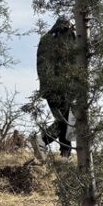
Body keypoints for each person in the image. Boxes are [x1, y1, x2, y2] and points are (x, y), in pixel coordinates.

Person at [37, 16, 77, 158]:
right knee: (64, 121)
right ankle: (42, 140)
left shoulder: (46, 39)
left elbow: (42, 65)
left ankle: (65, 154)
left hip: (48, 87)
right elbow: (73, 61)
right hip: (63, 86)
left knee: (64, 120)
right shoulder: (66, 36)